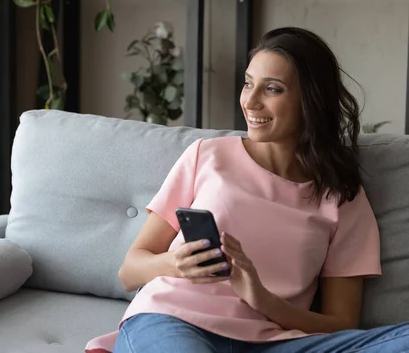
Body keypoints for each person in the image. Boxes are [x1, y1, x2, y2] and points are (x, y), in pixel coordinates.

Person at [85, 27, 409, 353]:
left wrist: (262, 299)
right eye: (248, 83)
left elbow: (341, 325)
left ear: (311, 100)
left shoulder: (342, 195)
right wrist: (175, 264)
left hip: (274, 340)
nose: (250, 101)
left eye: (273, 89)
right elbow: (130, 271)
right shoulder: (207, 155)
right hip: (174, 320)